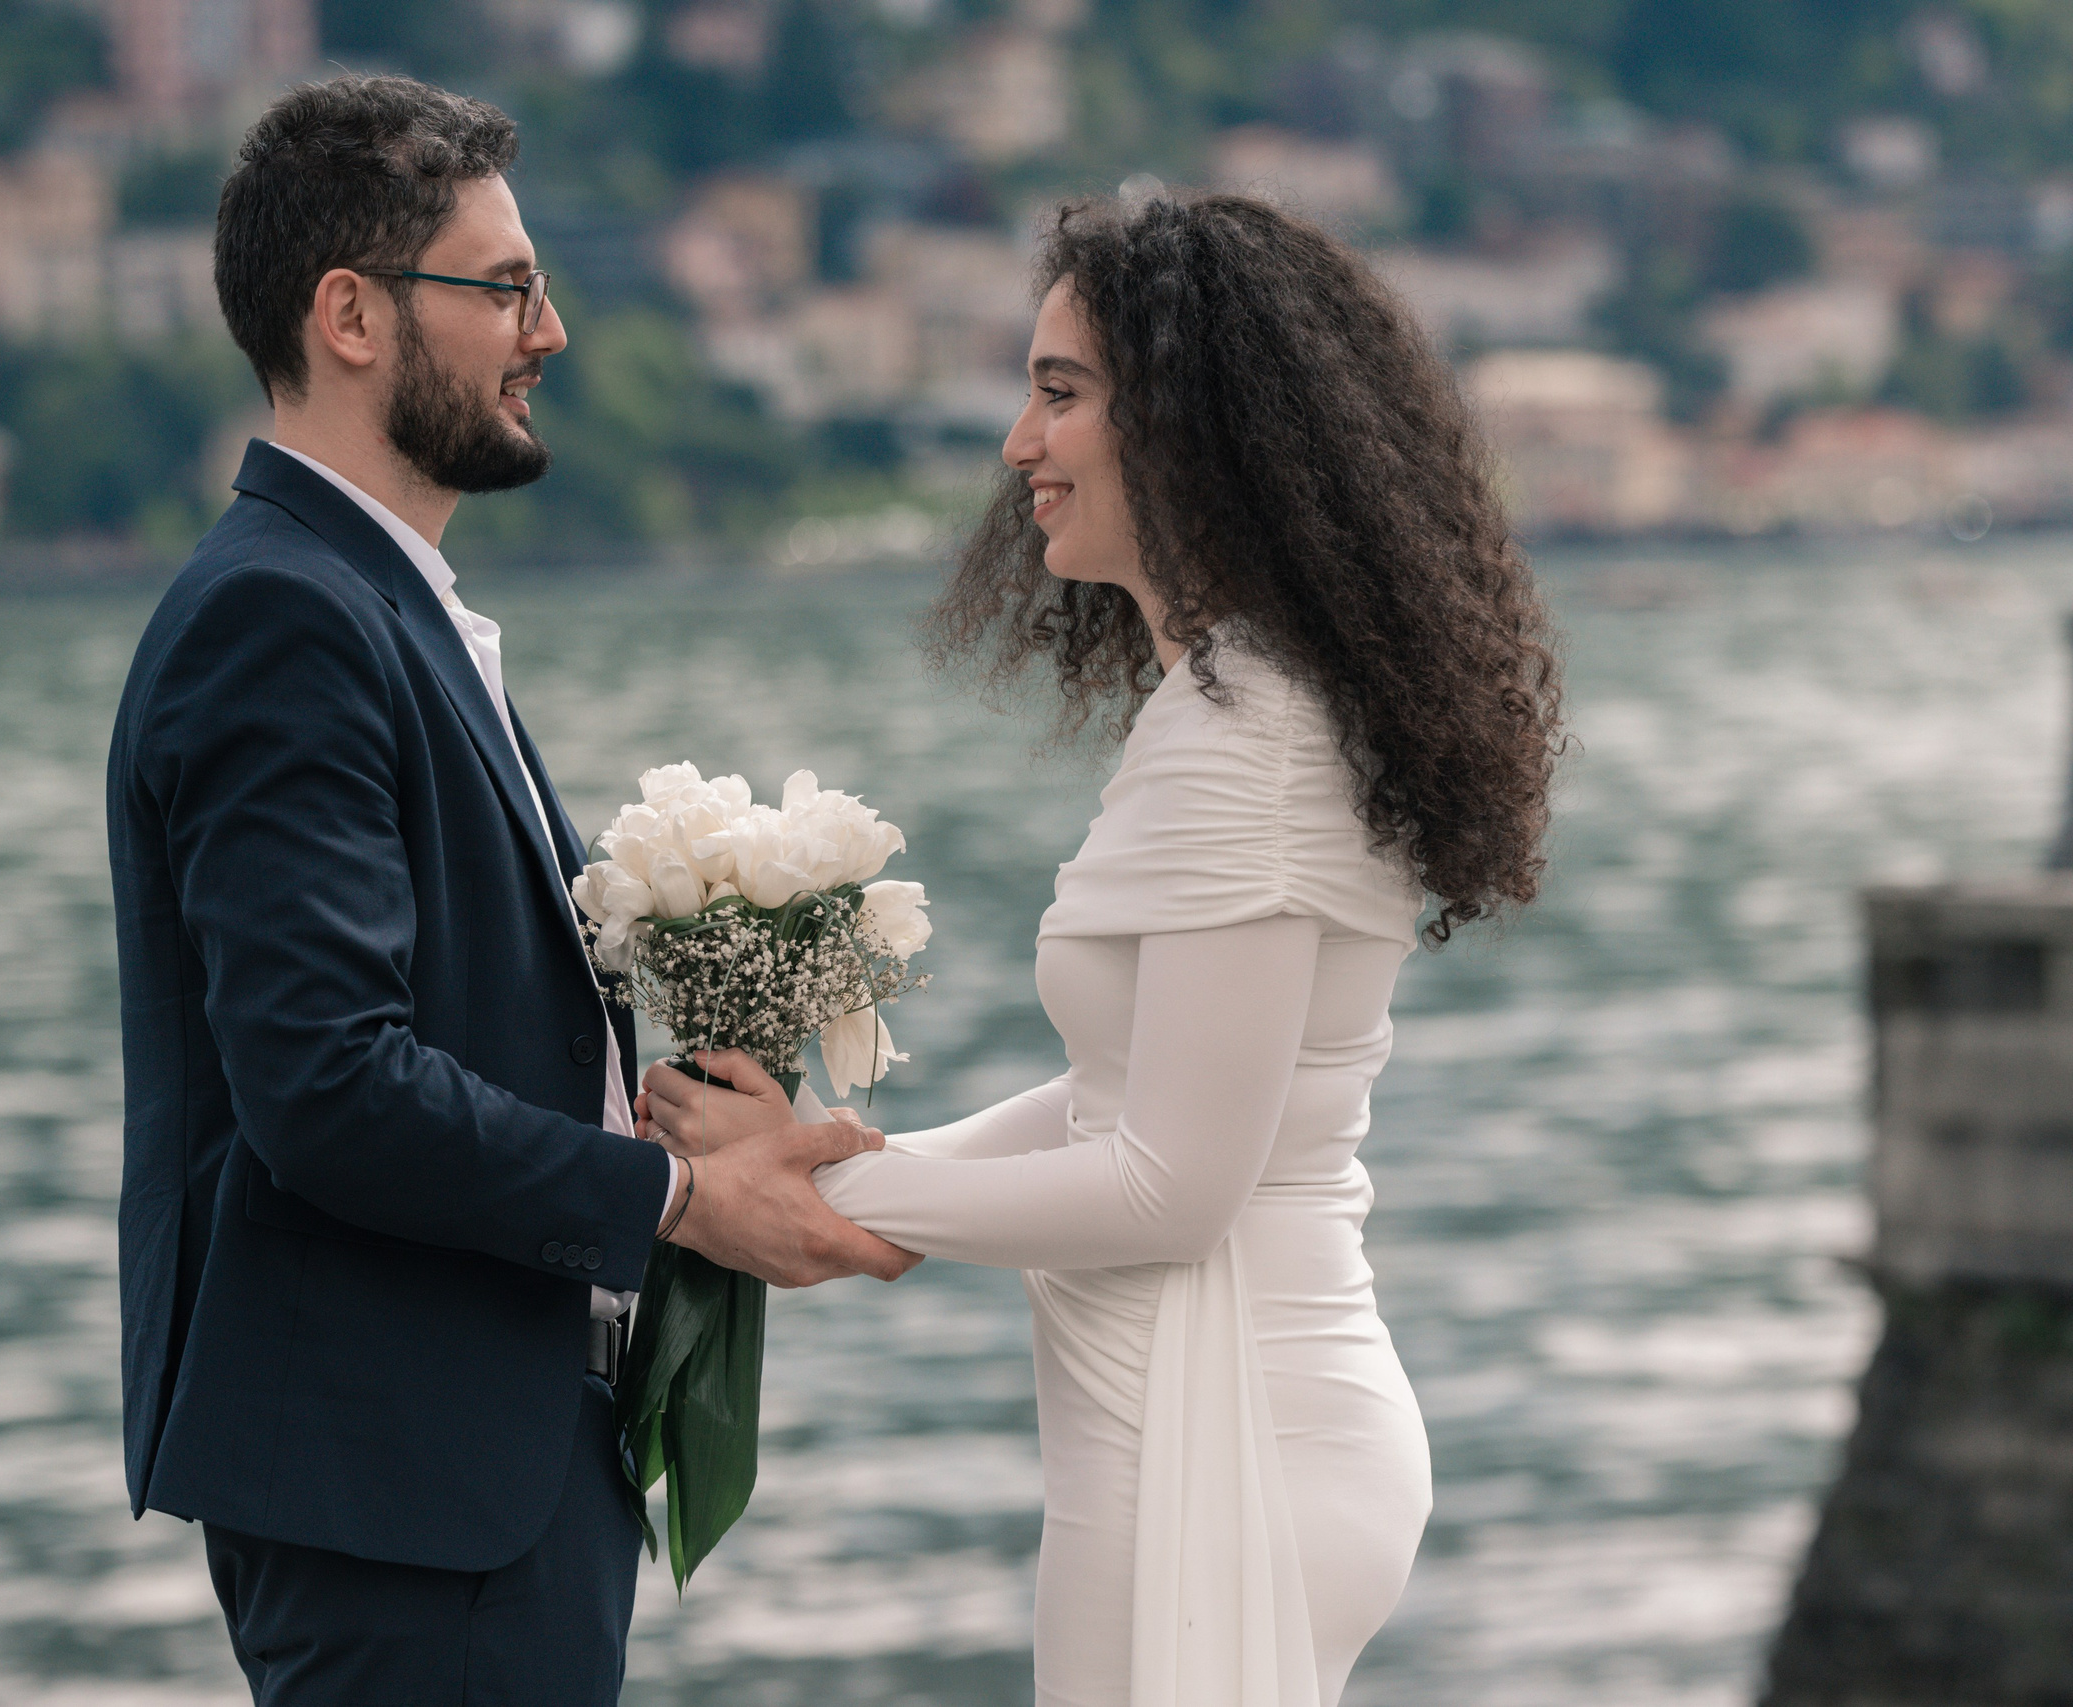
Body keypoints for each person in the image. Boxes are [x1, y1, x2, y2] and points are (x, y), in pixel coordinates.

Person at [639, 191, 1564, 1707]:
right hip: (1227, 1417)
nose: (1020, 445)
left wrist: (818, 1196)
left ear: (1192, 428)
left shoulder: (1246, 737)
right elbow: (1119, 1101)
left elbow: (1169, 1186)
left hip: (1226, 1440)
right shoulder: (1240, 702)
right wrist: (826, 1165)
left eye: (1061, 394)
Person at [104, 75, 914, 1707]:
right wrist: (684, 1205)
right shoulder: (286, 618)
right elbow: (324, 1086)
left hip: (472, 1473)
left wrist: (681, 1115)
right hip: (405, 1493)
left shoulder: (363, 601)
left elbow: (465, 1036)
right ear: (349, 313)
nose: (548, 330)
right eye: (506, 287)